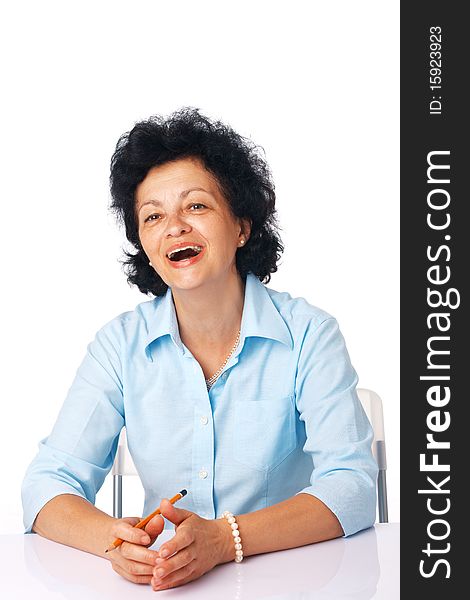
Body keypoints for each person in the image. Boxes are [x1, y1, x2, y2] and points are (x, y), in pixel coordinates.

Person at [21, 107, 378, 592]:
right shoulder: (118, 345)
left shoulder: (310, 334)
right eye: (153, 216)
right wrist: (112, 539)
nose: (174, 227)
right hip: (169, 583)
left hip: (293, 581)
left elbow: (353, 487)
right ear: (144, 243)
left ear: (242, 227)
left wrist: (225, 540)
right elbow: (47, 483)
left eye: (196, 206)